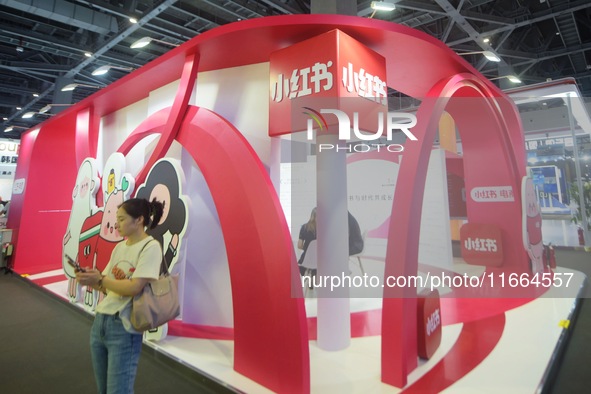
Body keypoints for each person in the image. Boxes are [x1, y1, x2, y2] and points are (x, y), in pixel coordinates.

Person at [76, 198, 164, 394]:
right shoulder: (120, 247)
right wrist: (92, 280)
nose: (117, 224)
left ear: (139, 220)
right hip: (100, 322)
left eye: (122, 219)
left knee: (118, 391)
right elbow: (108, 287)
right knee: (104, 390)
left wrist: (101, 279)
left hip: (124, 327)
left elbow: (135, 287)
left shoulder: (150, 247)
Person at [297, 207, 317, 275]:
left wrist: (308, 249)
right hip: (320, 260)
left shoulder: (304, 227)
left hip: (306, 259)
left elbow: (299, 246)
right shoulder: (325, 229)